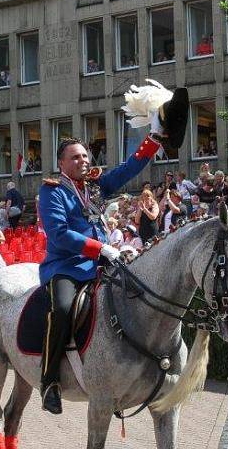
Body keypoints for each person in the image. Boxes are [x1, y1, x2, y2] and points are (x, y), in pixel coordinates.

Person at [38, 118, 166, 414]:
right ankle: (50, 382)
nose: (83, 161)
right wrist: (101, 248)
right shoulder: (52, 191)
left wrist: (153, 139)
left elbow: (127, 169)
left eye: (85, 155)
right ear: (61, 162)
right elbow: (59, 234)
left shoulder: (95, 185)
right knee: (63, 311)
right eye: (75, 157)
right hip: (66, 267)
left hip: (101, 264)